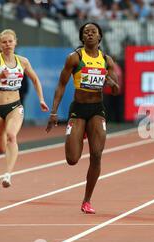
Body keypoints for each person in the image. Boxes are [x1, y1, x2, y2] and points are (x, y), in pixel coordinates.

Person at [46, 22, 120, 214]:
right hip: (78, 110)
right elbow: (61, 85)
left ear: (99, 37)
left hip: (97, 110)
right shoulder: (74, 58)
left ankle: (87, 200)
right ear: (81, 37)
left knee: (96, 154)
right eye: (86, 32)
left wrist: (111, 83)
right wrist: (54, 112)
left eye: (93, 32)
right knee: (72, 159)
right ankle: (79, 133)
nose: (89, 34)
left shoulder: (106, 60)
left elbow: (116, 89)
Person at [0, 29, 49, 188]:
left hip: (14, 106)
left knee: (12, 136)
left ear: (15, 42)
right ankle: (6, 154)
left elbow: (35, 79)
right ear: (0, 44)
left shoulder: (23, 61)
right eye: (4, 42)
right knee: (0, 148)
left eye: (10, 41)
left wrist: (41, 99)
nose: (7, 44)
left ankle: (8, 175)